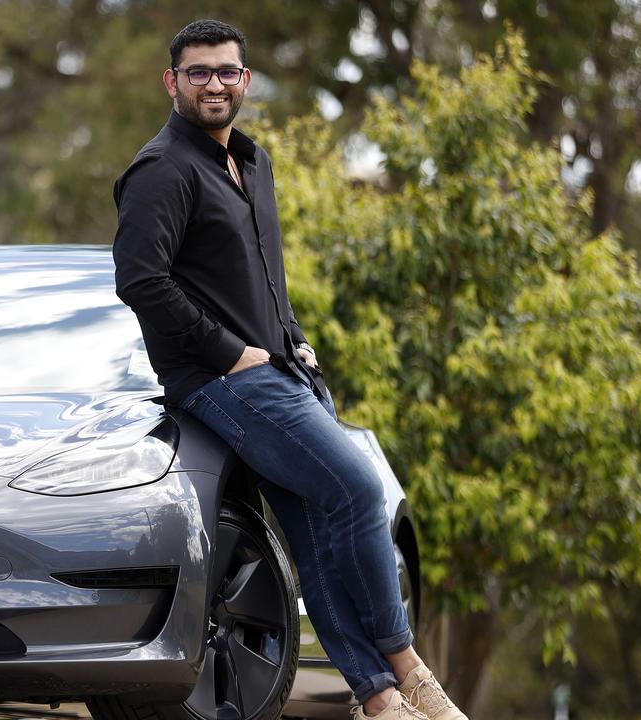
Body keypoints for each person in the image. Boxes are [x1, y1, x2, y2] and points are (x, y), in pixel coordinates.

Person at [111, 19, 469, 720]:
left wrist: (293, 339)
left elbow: (264, 278)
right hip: (221, 381)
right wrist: (231, 352)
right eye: (198, 72)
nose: (214, 83)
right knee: (359, 488)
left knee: (319, 529)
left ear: (245, 80)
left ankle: (378, 699)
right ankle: (407, 665)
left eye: (226, 71)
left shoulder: (253, 161)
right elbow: (141, 281)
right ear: (172, 82)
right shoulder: (161, 170)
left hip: (281, 372)